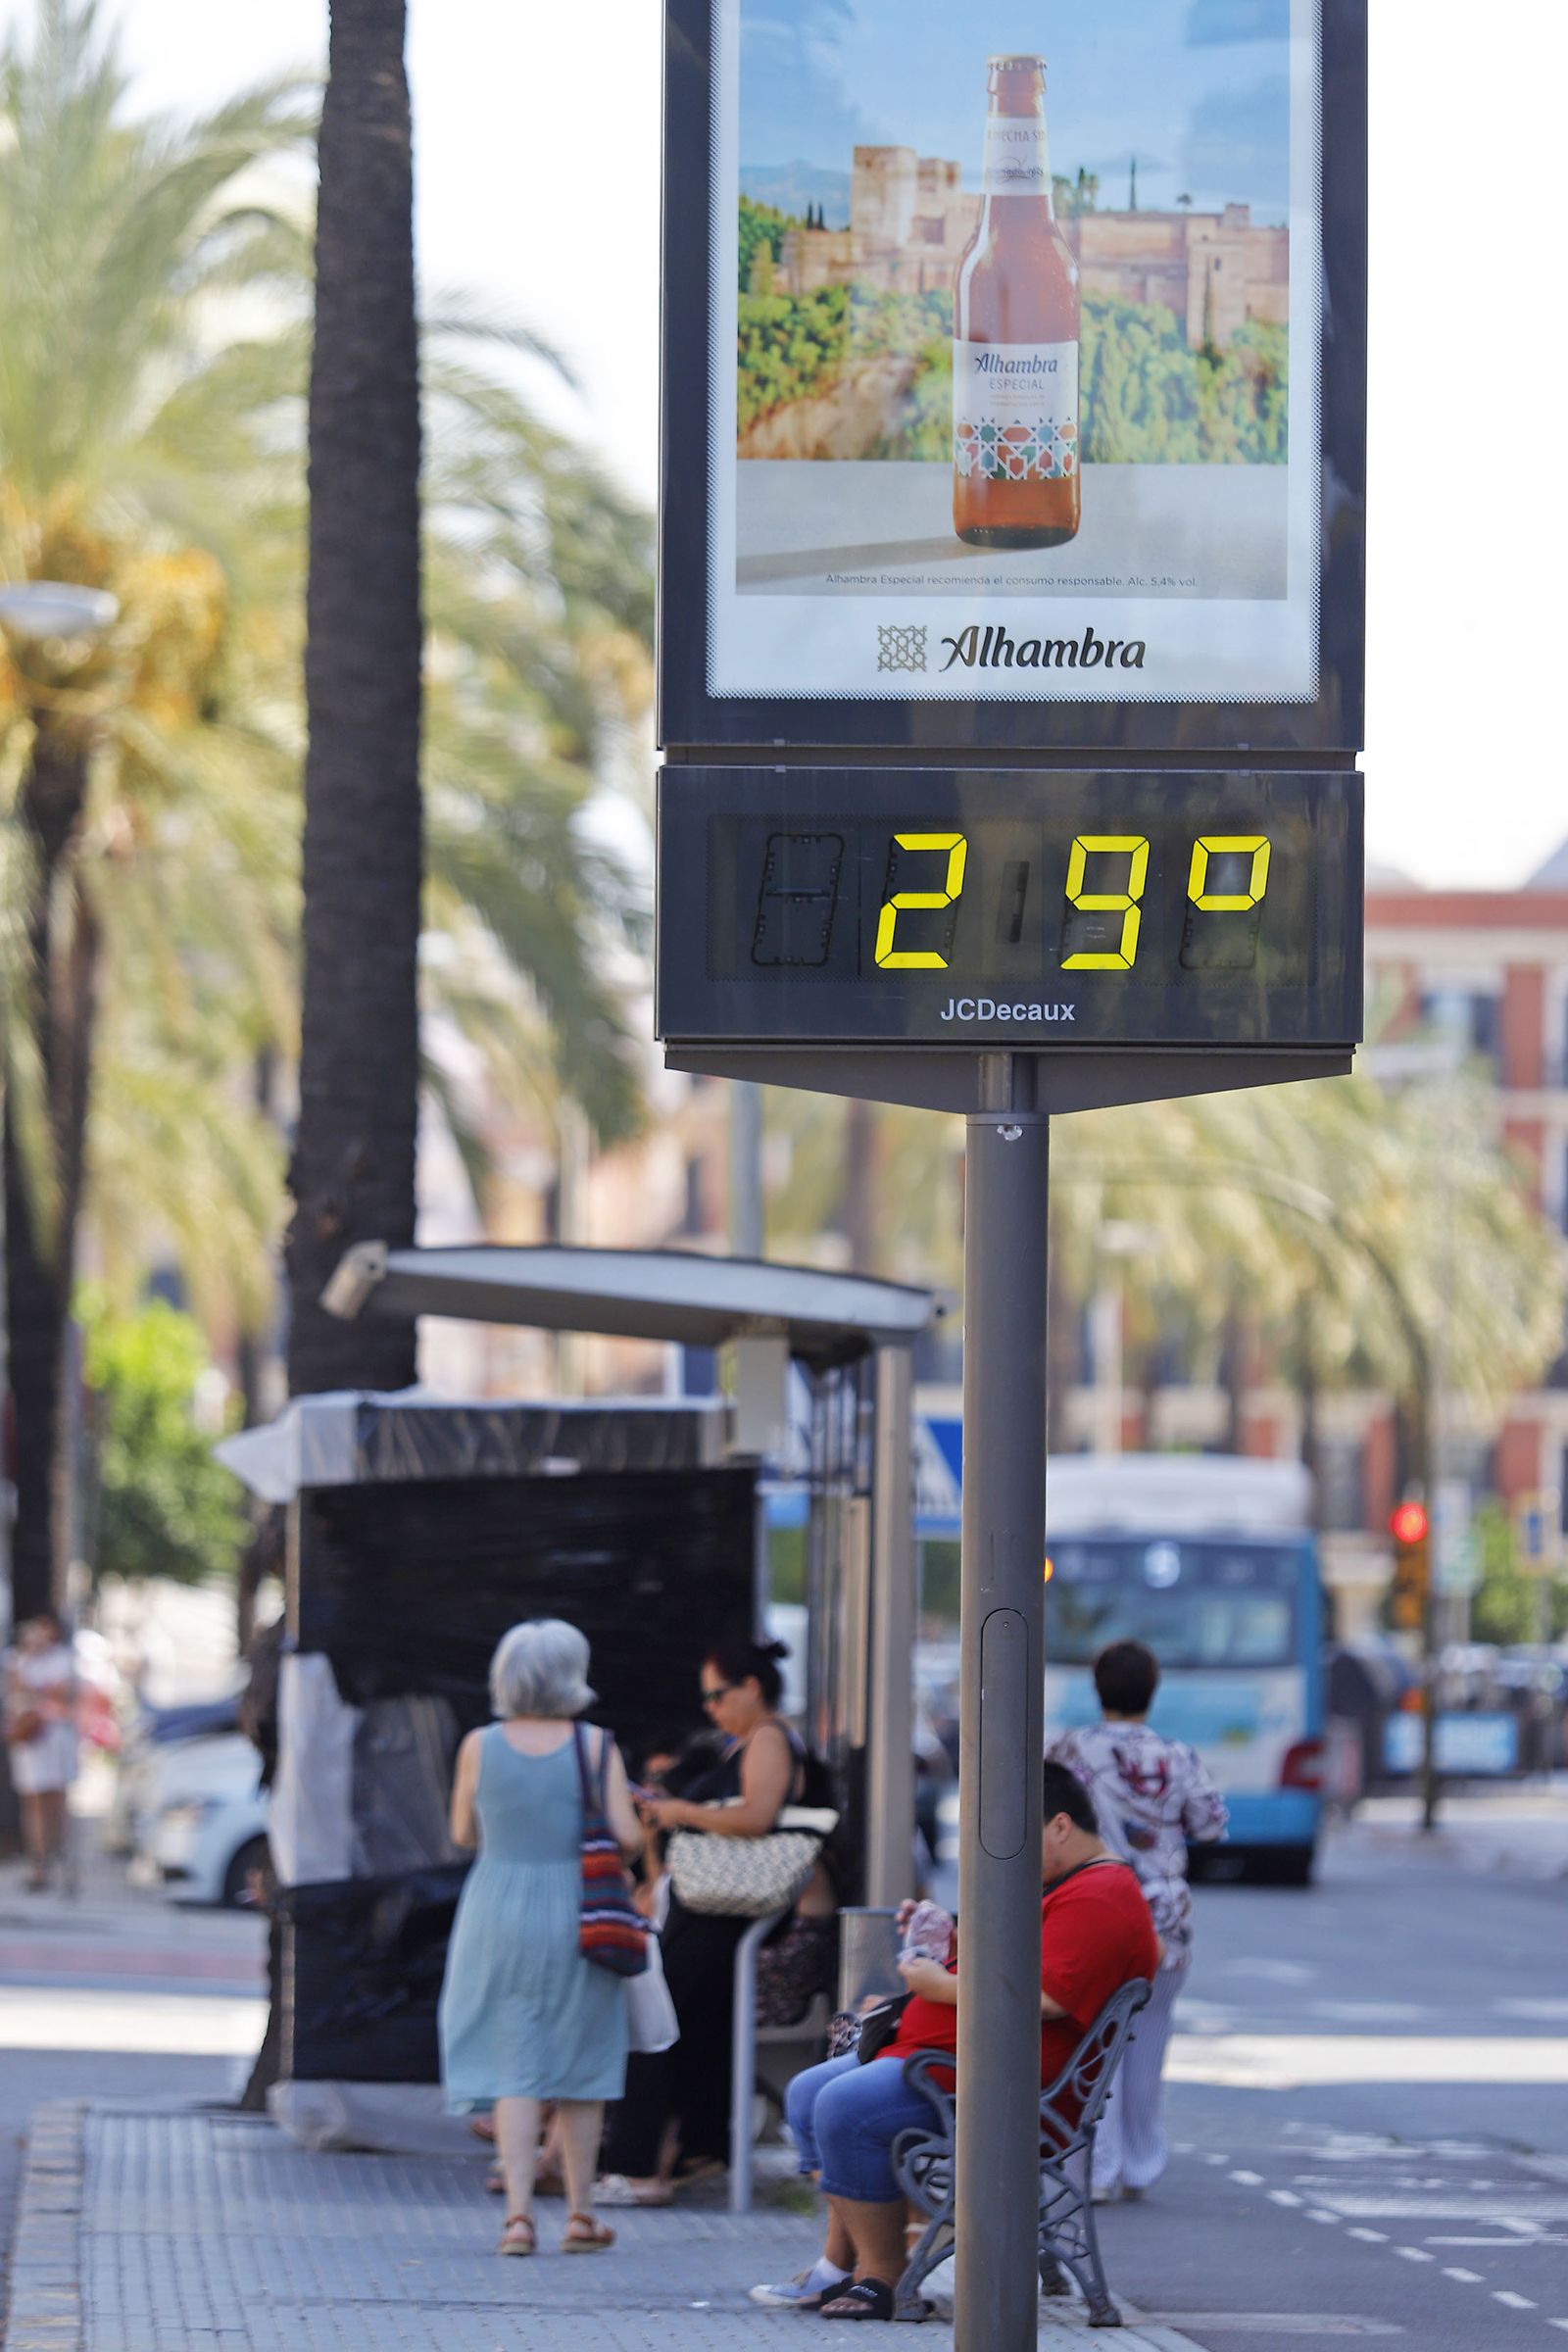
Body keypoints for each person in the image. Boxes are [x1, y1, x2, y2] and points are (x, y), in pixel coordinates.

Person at [752, 1760, 1159, 2320]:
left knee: (842, 2106)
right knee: (808, 2093)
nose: (1006, 1855)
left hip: (1004, 2087)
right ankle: (839, 2264)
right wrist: (950, 1942)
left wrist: (937, 1984)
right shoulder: (1072, 1884)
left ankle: (882, 2276)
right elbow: (1014, 1970)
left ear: (1060, 1826)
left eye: (1016, 1837)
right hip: (956, 2066)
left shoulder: (1099, 1895)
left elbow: (1042, 1999)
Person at [438, 1618, 643, 2258]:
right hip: (581, 1910)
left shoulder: (479, 1745)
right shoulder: (596, 1746)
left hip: (496, 1907)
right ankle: (580, 2215)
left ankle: (518, 2219)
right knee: (583, 2061)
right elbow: (627, 1837)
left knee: (513, 2062)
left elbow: (462, 1833)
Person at [599, 1634, 821, 2203]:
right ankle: (680, 2151)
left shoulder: (768, 1739)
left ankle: (640, 2165)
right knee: (678, 2027)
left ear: (751, 1687)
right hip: (709, 1911)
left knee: (657, 2026)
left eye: (718, 1695)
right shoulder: (743, 1744)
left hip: (726, 1916)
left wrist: (680, 1810)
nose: (711, 1708)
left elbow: (757, 1816)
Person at [1047, 1639, 1227, 2201]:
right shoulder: (1178, 1755)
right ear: (1153, 1690)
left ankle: (1096, 2168)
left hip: (1093, 1906)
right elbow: (1211, 1823)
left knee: (1094, 2043)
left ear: (1096, 1687)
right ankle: (1141, 2163)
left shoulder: (1068, 1748)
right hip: (1165, 1917)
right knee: (1149, 2039)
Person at [4, 1613, 78, 1892]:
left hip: (55, 1737)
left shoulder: (62, 1659)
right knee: (33, 1801)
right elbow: (13, 1689)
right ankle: (38, 1862)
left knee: (55, 1801)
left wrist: (36, 1689)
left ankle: (58, 1855)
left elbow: (64, 1693)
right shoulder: (17, 1659)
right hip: (30, 1738)